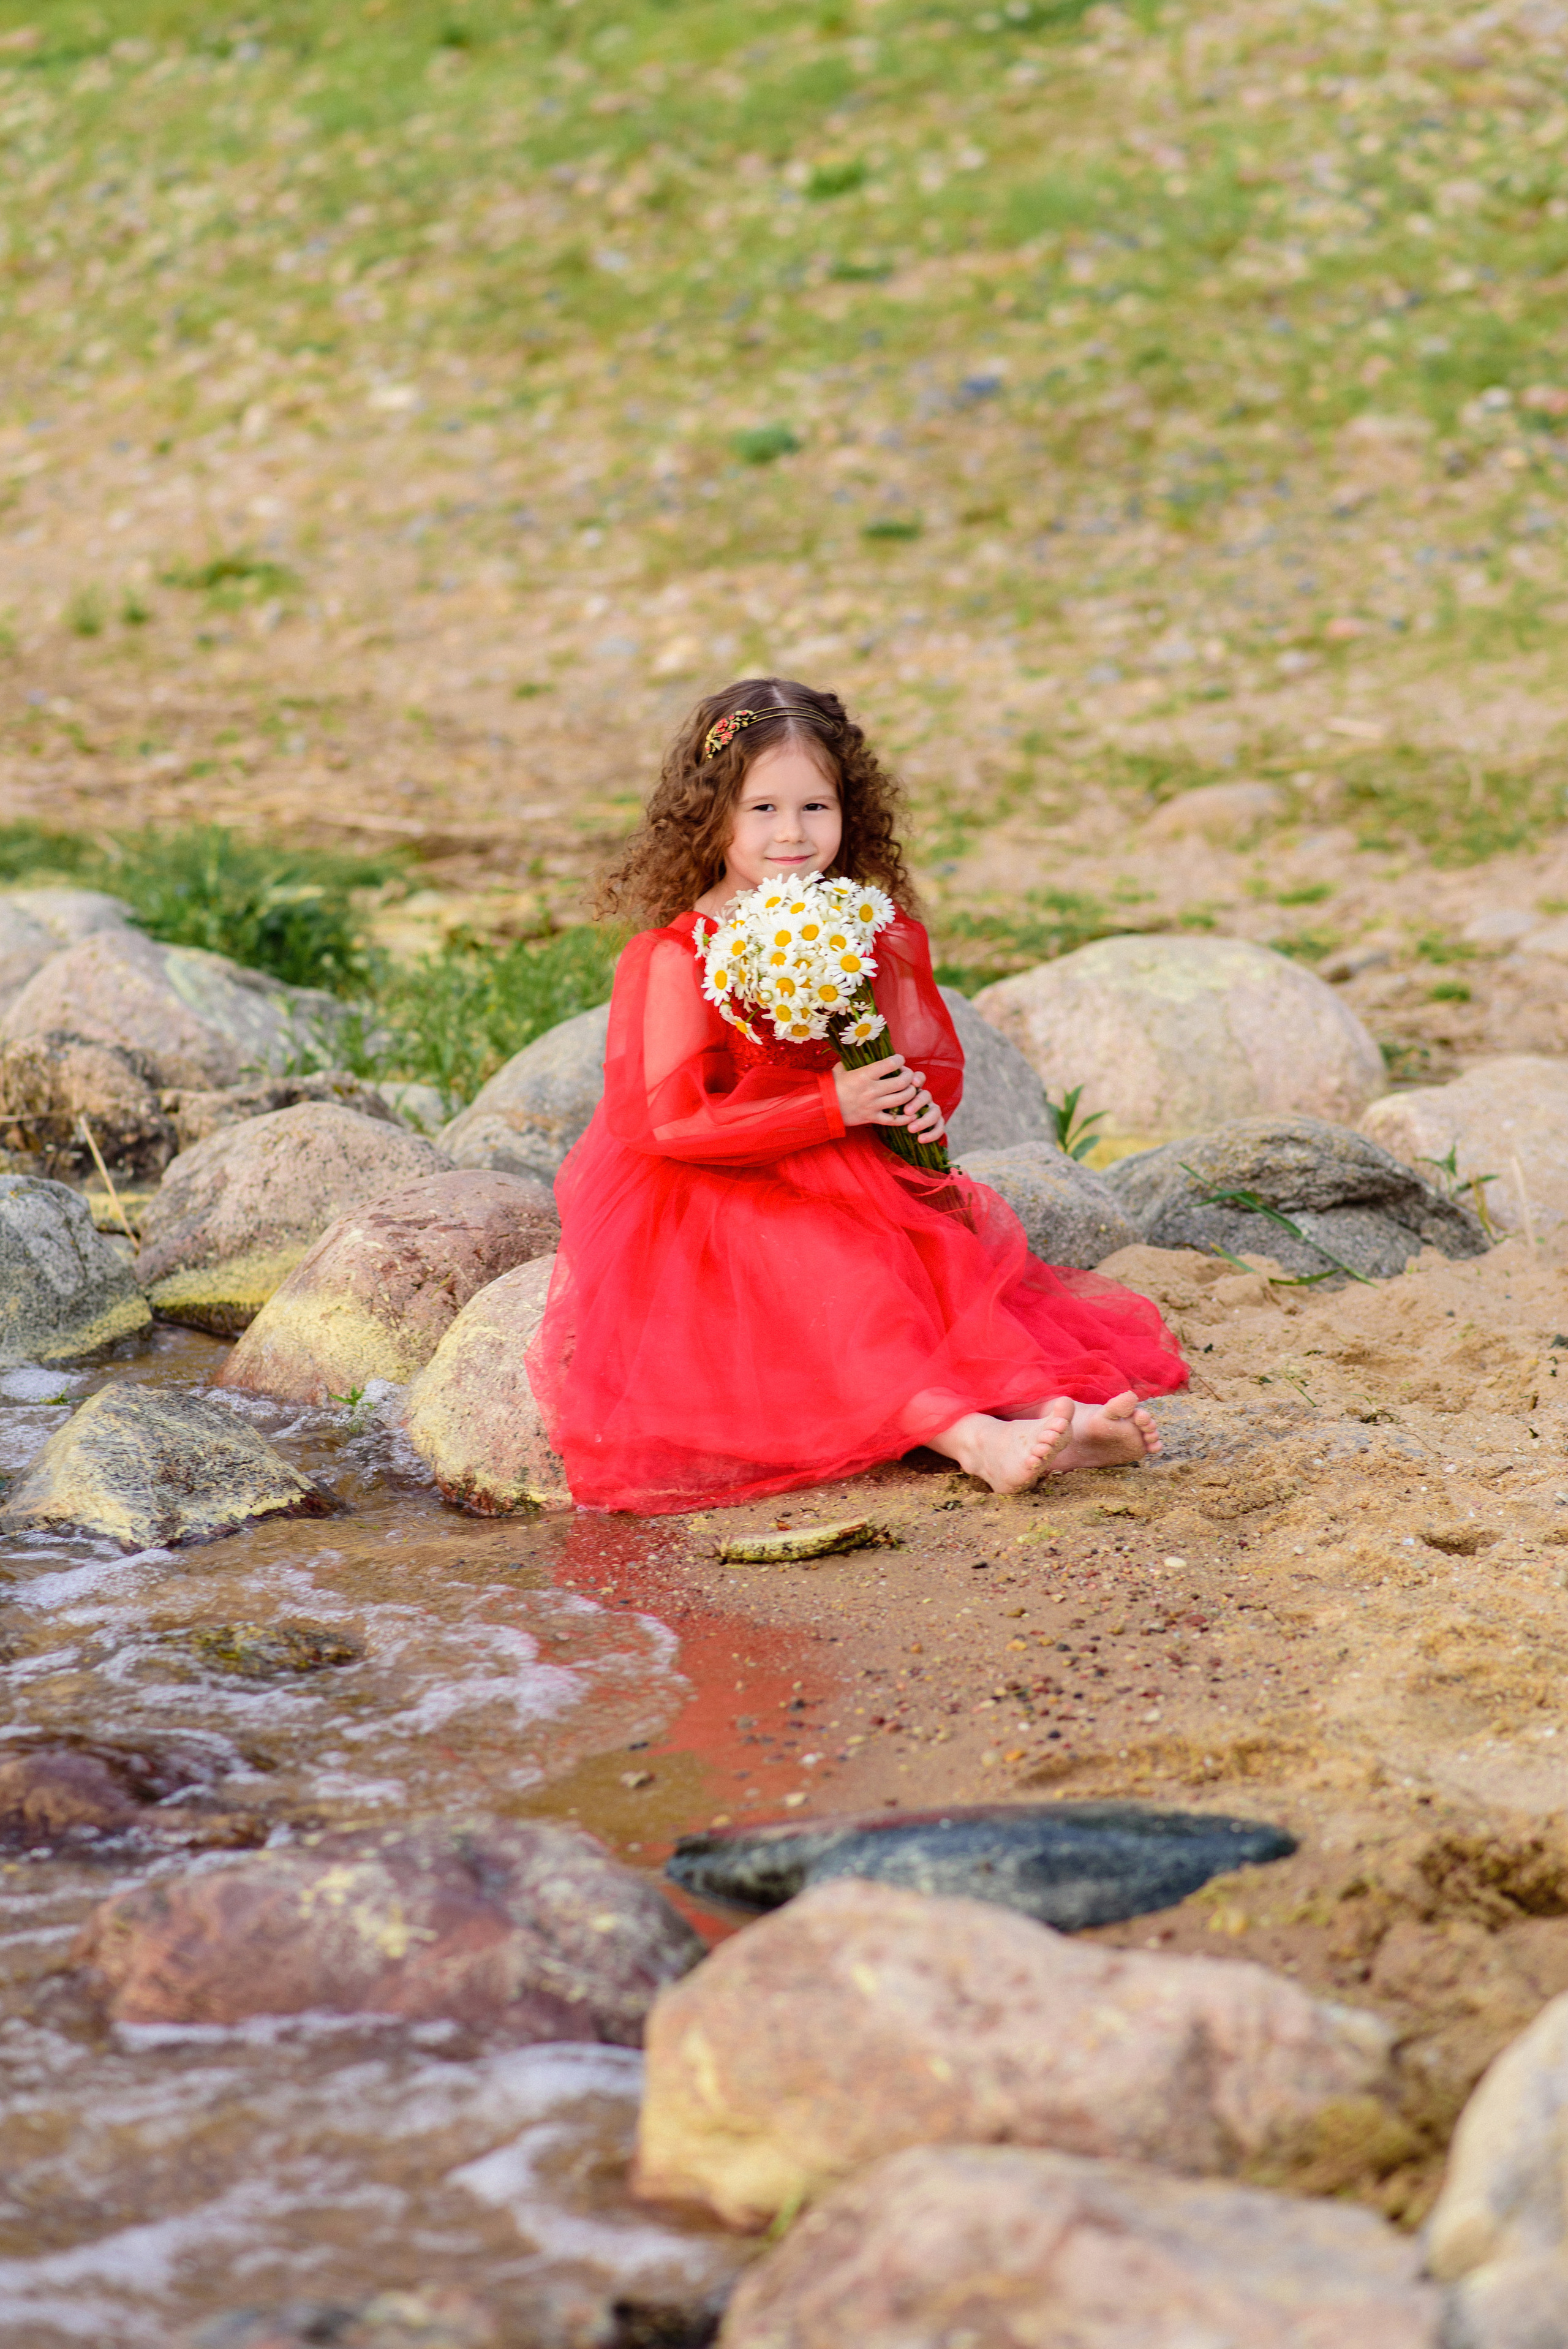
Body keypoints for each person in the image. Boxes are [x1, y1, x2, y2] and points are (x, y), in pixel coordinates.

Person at [527, 678, 1188, 1515]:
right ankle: (972, 1438)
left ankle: (1050, 1414)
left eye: (816, 806)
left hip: (844, 1161)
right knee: (840, 1285)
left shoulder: (858, 925)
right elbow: (666, 1117)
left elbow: (917, 1058)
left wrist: (908, 1102)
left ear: (850, 811)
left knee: (936, 1279)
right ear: (711, 816)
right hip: (711, 1184)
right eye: (762, 809)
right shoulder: (680, 952)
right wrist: (830, 1105)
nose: (792, 832)